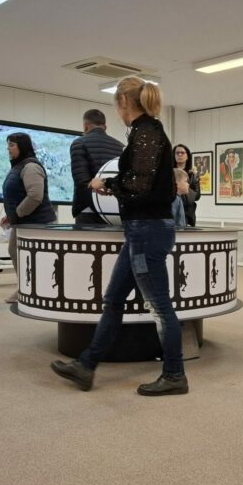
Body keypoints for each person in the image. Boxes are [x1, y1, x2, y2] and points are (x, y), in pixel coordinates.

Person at [50, 77, 188, 396]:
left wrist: (106, 184)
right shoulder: (148, 131)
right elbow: (160, 185)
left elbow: (139, 186)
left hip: (146, 231)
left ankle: (175, 374)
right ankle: (86, 366)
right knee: (114, 300)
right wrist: (117, 184)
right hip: (143, 230)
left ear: (123, 102)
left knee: (160, 307)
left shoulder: (145, 132)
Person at [0, 133, 56, 304]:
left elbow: (35, 196)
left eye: (12, 145)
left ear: (22, 146)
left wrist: (16, 213)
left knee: (35, 257)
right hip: (23, 221)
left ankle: (33, 290)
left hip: (37, 223)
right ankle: (25, 288)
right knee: (15, 252)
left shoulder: (31, 167)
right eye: (8, 145)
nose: (8, 148)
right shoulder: (19, 166)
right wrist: (10, 216)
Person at [69, 109, 125, 225]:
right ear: (105, 127)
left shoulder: (79, 143)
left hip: (88, 212)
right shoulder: (120, 146)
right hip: (114, 211)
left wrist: (98, 206)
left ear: (85, 126)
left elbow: (82, 183)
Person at [173, 144, 199, 226]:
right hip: (172, 210)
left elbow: (197, 196)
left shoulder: (193, 174)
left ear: (187, 156)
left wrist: (183, 188)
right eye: (177, 153)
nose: (179, 155)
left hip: (188, 214)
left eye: (182, 153)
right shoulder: (168, 172)